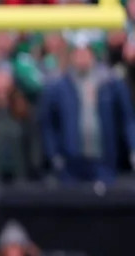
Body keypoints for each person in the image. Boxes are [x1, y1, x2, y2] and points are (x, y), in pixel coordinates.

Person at [38, 40, 135, 184]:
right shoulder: (58, 87)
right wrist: (53, 154)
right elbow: (48, 124)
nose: (82, 58)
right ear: (71, 56)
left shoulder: (110, 84)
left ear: (92, 55)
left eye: (85, 53)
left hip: (104, 159)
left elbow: (127, 119)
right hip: (70, 162)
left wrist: (132, 147)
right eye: (78, 53)